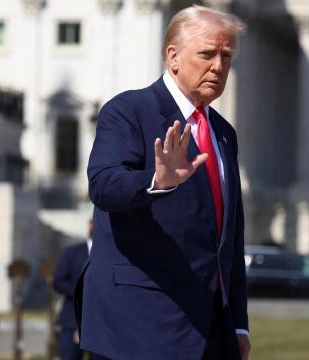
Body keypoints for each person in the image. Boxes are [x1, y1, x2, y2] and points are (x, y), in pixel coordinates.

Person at [76, 5, 250, 360]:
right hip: (140, 324)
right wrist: (157, 181)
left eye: (226, 56)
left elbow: (230, 239)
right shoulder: (128, 111)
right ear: (173, 56)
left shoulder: (223, 133)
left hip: (211, 330)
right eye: (207, 53)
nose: (218, 66)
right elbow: (104, 185)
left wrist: (239, 324)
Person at [53, 220, 93, 360]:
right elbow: (58, 281)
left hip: (101, 325)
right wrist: (80, 292)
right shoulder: (72, 252)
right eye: (91, 222)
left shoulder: (113, 253)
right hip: (72, 321)